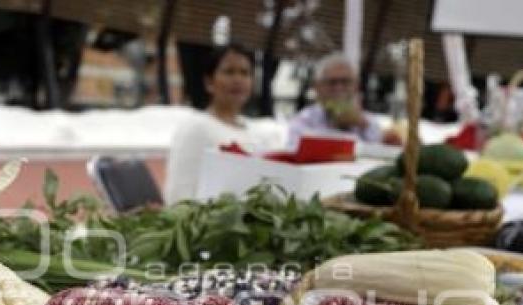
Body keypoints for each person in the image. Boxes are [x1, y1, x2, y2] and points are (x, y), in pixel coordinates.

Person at [164, 44, 270, 204]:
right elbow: (179, 195)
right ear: (209, 82)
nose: (238, 80)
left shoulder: (256, 132)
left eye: (245, 73)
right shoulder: (196, 128)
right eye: (229, 72)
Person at [288, 52, 386, 148]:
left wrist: (362, 124)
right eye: (332, 82)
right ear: (317, 87)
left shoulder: (368, 122)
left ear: (356, 86)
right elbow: (297, 150)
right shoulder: (304, 120)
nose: (339, 88)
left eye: (346, 82)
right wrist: (337, 126)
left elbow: (381, 154)